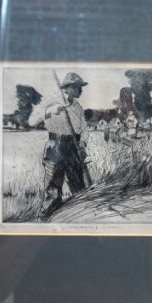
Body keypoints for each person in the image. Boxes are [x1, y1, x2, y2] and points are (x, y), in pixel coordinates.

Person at [40, 72, 90, 219]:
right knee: (53, 186)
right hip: (56, 146)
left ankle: (78, 217)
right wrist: (53, 112)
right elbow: (40, 120)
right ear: (67, 88)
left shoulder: (78, 107)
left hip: (73, 148)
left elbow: (85, 130)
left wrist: (82, 144)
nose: (81, 90)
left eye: (81, 87)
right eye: (77, 87)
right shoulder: (53, 103)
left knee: (78, 186)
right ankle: (46, 217)